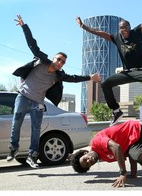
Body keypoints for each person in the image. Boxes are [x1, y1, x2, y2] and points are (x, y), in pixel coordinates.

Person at [7, 15, 101, 169]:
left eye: (63, 62)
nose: (60, 63)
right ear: (53, 58)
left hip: (37, 102)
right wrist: (24, 26)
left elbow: (73, 78)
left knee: (36, 129)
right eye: (58, 59)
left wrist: (90, 77)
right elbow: (32, 44)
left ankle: (32, 156)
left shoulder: (58, 76)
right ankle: (13, 148)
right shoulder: (41, 61)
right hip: (23, 96)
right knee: (16, 121)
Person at [76, 0, 142, 126]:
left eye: (126, 27)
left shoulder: (137, 32)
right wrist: (84, 27)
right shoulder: (116, 37)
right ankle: (116, 111)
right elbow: (99, 32)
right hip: (127, 72)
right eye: (122, 28)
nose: (124, 30)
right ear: (119, 29)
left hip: (141, 70)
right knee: (105, 84)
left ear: (129, 27)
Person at [70, 119, 142, 188]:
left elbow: (116, 147)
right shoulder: (104, 157)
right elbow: (126, 153)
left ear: (85, 152)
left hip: (134, 128)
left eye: (85, 159)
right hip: (131, 143)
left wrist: (123, 173)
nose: (89, 161)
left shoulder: (96, 141)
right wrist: (134, 173)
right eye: (88, 165)